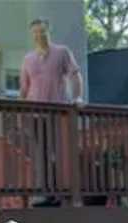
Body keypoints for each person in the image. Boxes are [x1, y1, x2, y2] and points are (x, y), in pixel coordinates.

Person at [20, 18, 84, 207]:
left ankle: (57, 193)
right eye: (36, 33)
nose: (39, 35)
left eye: (43, 31)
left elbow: (75, 75)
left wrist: (78, 97)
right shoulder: (28, 59)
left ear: (49, 32)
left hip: (57, 112)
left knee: (56, 153)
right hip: (33, 114)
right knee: (40, 155)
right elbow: (23, 89)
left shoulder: (62, 52)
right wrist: (19, 111)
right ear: (32, 35)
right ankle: (45, 194)